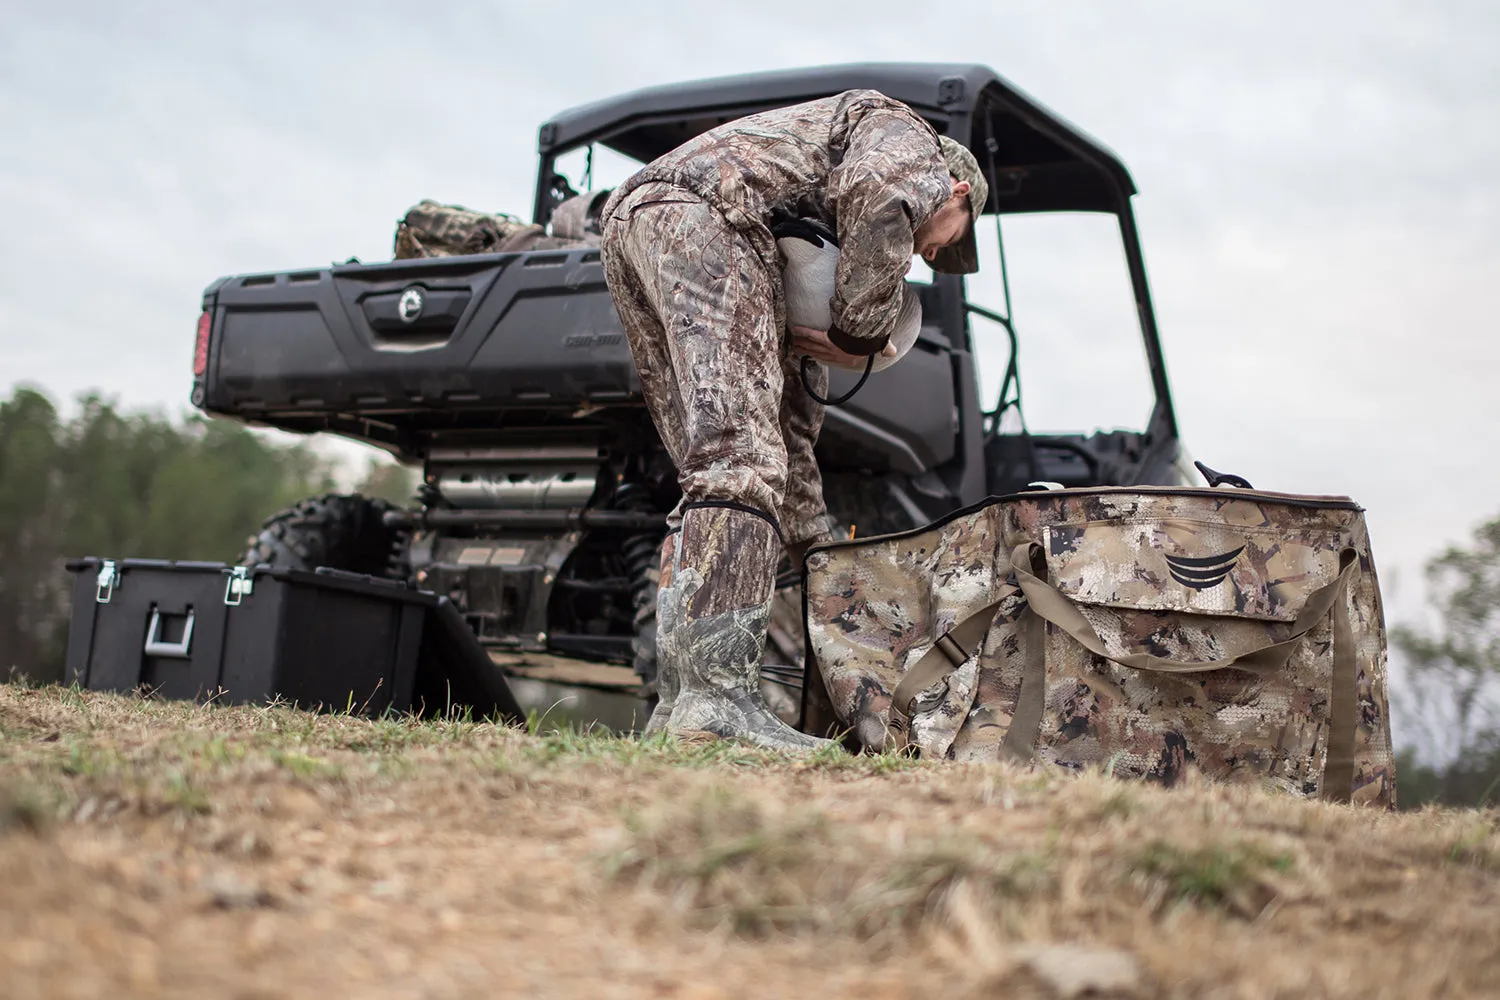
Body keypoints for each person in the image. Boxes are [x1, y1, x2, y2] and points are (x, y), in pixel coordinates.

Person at [599, 89, 988, 750]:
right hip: (700, 215)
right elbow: (880, 196)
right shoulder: (905, 142)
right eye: (944, 241)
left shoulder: (783, 252)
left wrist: (821, 553)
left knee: (721, 472)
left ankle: (684, 705)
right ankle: (717, 705)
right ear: (955, 192)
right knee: (739, 465)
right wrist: (862, 333)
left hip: (635, 222)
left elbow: (792, 447)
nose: (925, 256)